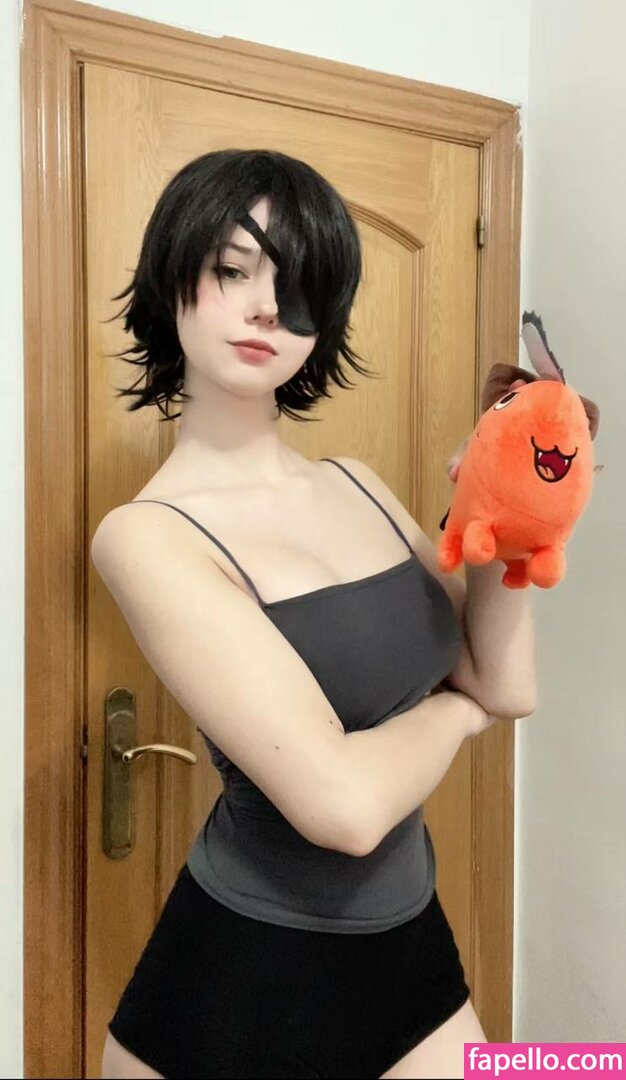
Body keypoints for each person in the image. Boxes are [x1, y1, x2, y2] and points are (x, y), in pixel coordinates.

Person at [92, 149, 525, 1080]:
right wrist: (457, 714)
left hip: (412, 953)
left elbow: (506, 680)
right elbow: (346, 808)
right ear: (173, 280)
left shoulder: (357, 484)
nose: (265, 307)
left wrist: (506, 516)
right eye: (233, 269)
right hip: (238, 994)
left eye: (297, 285)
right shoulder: (146, 536)